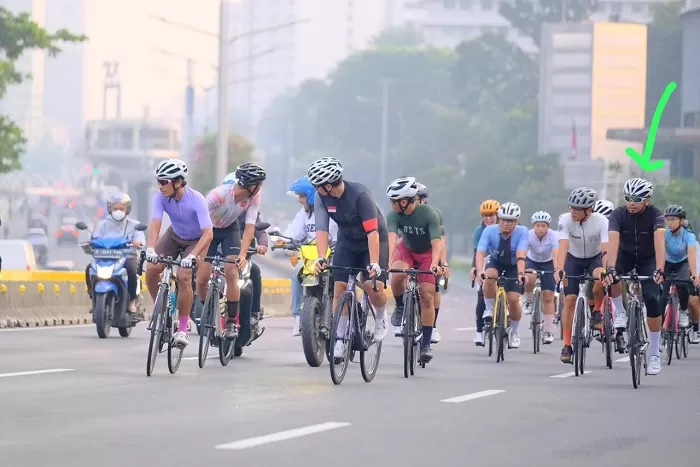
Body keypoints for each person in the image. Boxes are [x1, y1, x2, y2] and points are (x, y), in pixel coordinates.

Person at [307, 157, 391, 360]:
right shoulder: (322, 198)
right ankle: (340, 338)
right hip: (348, 241)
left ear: (328, 186)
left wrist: (373, 263)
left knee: (372, 288)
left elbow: (373, 233)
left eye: (317, 186)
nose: (315, 189)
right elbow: (322, 230)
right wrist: (320, 257)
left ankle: (380, 317)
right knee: (339, 288)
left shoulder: (360, 195)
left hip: (373, 241)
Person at [145, 159, 213, 348]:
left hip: (196, 241)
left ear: (178, 182)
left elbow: (208, 233)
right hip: (174, 236)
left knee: (184, 276)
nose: (160, 186)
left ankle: (183, 328)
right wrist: (150, 248)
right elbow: (156, 223)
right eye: (158, 181)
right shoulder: (159, 197)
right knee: (151, 269)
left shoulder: (197, 199)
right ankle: (160, 308)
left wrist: (192, 257)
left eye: (164, 182)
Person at [602, 178, 666, 376]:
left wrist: (660, 269)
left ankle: (654, 354)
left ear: (646, 200)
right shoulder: (618, 214)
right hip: (626, 256)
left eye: (636, 199)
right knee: (610, 276)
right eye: (628, 198)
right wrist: (611, 268)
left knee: (653, 299)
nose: (631, 202)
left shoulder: (656, 215)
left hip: (649, 259)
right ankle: (620, 312)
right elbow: (613, 243)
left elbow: (659, 244)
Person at [197, 162, 266, 339]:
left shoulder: (254, 198)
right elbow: (198, 218)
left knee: (232, 272)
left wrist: (243, 255)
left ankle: (231, 322)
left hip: (230, 230)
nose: (260, 188)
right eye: (259, 185)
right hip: (208, 231)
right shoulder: (218, 195)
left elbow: (250, 227)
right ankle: (209, 310)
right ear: (252, 186)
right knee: (202, 278)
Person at [386, 177, 443, 363]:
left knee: (427, 295)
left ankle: (426, 344)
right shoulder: (393, 215)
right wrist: (387, 262)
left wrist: (436, 263)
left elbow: (437, 243)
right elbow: (393, 240)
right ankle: (401, 307)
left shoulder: (429, 214)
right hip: (407, 250)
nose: (391, 204)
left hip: (427, 254)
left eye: (394, 201)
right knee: (396, 275)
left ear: (405, 201)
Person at [555, 187, 608, 364]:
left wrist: (608, 269)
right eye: (571, 207)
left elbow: (606, 249)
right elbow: (562, 245)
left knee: (601, 276)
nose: (572, 212)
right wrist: (559, 268)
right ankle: (567, 345)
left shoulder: (601, 221)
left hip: (594, 258)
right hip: (573, 259)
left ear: (589, 210)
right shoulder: (565, 220)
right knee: (569, 300)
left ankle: (597, 312)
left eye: (577, 209)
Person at [285, 176, 338, 336]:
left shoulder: (333, 210)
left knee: (341, 280)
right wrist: (283, 241)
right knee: (296, 273)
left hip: (333, 254)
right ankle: (298, 317)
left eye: (301, 196)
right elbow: (292, 233)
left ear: (309, 195)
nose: (299, 200)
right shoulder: (303, 214)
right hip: (310, 257)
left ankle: (345, 316)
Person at [475, 202, 528, 349]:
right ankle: (490, 309)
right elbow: (481, 251)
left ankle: (515, 332)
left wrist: (521, 273)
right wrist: (480, 270)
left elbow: (520, 254)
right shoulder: (489, 230)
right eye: (503, 219)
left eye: (510, 221)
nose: (506, 223)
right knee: (489, 275)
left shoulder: (522, 231)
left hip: (514, 265)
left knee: (513, 299)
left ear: (516, 221)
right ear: (499, 219)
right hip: (496, 261)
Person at [87, 192, 145, 319]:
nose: (118, 211)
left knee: (131, 269)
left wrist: (137, 242)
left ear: (127, 209)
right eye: (115, 208)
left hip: (127, 257)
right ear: (110, 209)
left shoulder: (134, 225)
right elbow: (94, 238)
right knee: (89, 269)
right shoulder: (103, 224)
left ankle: (132, 301)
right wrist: (90, 242)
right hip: (106, 258)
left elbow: (141, 241)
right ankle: (94, 297)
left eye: (121, 208)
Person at [414, 182, 449, 344]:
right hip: (412, 252)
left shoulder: (434, 214)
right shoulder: (404, 213)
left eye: (417, 199)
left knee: (432, 289)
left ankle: (432, 326)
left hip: (430, 253)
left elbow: (441, 240)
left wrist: (444, 263)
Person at [661, 205, 700, 335]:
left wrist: (695, 275)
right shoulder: (664, 233)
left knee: (682, 283)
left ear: (681, 221)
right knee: (662, 292)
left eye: (673, 219)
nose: (669, 222)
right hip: (667, 262)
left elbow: (692, 255)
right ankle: (661, 324)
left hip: (683, 262)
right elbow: (659, 252)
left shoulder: (689, 235)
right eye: (667, 219)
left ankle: (683, 310)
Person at [523, 211, 559, 344]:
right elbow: (523, 251)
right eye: (538, 225)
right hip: (532, 260)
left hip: (548, 263)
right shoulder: (528, 235)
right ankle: (528, 300)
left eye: (544, 226)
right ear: (534, 226)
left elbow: (556, 253)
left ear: (548, 226)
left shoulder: (554, 236)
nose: (540, 228)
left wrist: (556, 270)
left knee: (548, 296)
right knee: (529, 276)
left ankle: (549, 331)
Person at [469, 199, 500, 346]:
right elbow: (477, 252)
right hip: (484, 263)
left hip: (501, 262)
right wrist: (474, 268)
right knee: (481, 294)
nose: (488, 219)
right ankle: (479, 332)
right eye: (485, 216)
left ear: (498, 216)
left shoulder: (505, 228)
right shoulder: (479, 231)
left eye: (491, 215)